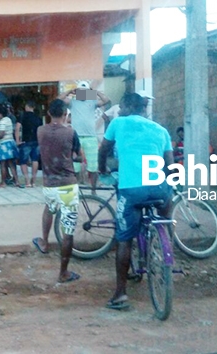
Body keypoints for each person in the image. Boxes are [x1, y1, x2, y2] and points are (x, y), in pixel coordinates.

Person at [98, 93, 174, 311]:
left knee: (124, 239)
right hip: (159, 188)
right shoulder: (161, 130)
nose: (119, 111)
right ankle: (165, 247)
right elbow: (169, 166)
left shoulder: (118, 123)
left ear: (130, 106)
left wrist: (101, 168)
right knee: (164, 218)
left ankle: (120, 294)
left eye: (121, 107)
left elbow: (104, 149)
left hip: (131, 190)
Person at [32, 98, 84, 283]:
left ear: (48, 114)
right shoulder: (71, 132)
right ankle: (63, 272)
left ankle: (44, 242)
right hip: (68, 185)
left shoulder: (40, 131)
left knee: (49, 209)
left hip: (49, 184)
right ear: (65, 115)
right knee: (68, 230)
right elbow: (79, 156)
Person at [59, 81, 111, 194]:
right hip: (76, 137)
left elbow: (106, 100)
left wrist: (95, 92)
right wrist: (69, 91)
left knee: (93, 166)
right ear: (77, 92)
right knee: (75, 167)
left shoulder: (92, 102)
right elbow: (59, 99)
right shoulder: (73, 102)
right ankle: (75, 190)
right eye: (80, 91)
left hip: (91, 137)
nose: (82, 94)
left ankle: (93, 190)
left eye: (84, 92)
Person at [0, 103, 21, 188]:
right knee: (11, 164)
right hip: (11, 143)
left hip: (4, 144)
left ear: (1, 113)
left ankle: (3, 182)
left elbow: (2, 134)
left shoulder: (2, 122)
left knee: (3, 164)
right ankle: (17, 181)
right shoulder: (8, 119)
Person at [16, 100, 43, 188]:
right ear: (34, 108)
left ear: (26, 107)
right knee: (35, 160)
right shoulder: (38, 117)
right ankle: (33, 181)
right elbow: (40, 130)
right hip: (36, 141)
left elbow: (17, 128)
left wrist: (17, 140)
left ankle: (27, 181)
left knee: (23, 161)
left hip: (25, 141)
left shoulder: (22, 116)